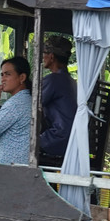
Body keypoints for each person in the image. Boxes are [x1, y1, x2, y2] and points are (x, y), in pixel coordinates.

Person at [0, 56, 33, 166]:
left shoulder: (16, 103)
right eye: (2, 74)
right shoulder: (24, 100)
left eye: (8, 74)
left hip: (7, 168)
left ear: (22, 77)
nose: (3, 79)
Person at [38, 35, 77, 168]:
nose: (43, 57)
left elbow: (31, 107)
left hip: (56, 139)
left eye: (44, 53)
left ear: (52, 56)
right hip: (71, 140)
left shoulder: (53, 80)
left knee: (18, 141)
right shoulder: (70, 81)